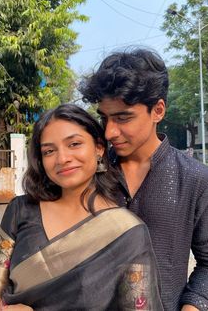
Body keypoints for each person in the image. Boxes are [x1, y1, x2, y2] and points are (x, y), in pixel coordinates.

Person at [0, 104, 163, 311]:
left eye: (74, 144)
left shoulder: (129, 234)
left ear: (99, 148)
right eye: (49, 151)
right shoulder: (20, 210)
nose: (62, 159)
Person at [79, 48, 208, 311]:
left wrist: (192, 307)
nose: (110, 131)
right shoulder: (89, 174)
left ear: (157, 110)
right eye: (104, 118)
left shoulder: (195, 178)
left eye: (123, 117)